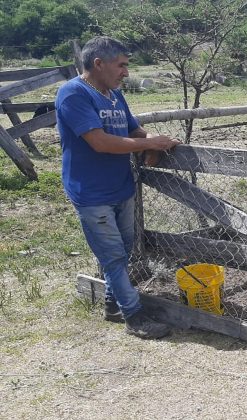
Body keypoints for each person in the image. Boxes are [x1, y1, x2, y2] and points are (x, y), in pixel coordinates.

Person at [55, 36, 180, 339]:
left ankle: (113, 305)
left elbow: (131, 128)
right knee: (112, 257)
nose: (126, 72)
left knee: (122, 252)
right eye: (121, 65)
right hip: (91, 192)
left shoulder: (113, 94)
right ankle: (134, 316)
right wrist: (148, 143)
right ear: (98, 64)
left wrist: (152, 139)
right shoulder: (73, 94)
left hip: (120, 187)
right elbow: (99, 142)